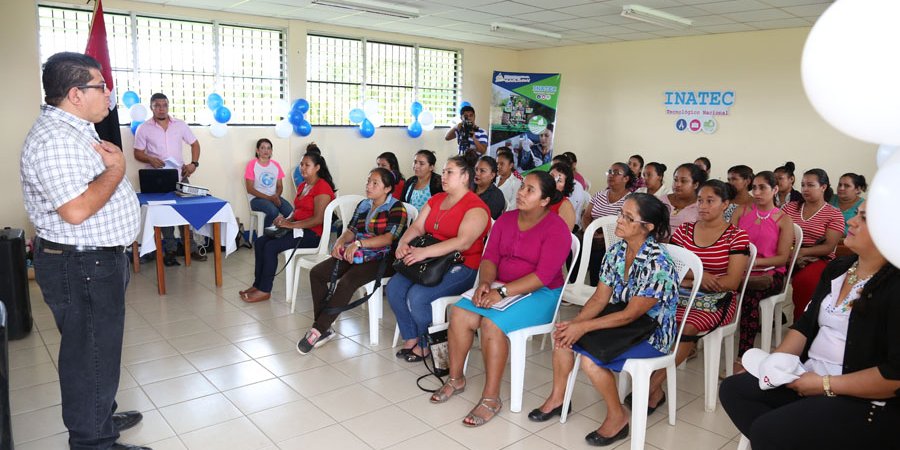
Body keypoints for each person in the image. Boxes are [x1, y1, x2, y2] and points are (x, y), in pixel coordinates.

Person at [22, 52, 148, 450]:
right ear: (76, 93)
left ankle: (99, 413)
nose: (108, 93)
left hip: (94, 259)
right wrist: (116, 171)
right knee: (90, 353)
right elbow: (76, 210)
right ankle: (94, 441)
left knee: (95, 348)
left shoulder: (77, 127)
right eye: (101, 85)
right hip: (82, 263)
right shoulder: (56, 139)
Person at [720, 201, 900, 450]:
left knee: (767, 431)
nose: (851, 221)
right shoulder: (839, 269)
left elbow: (893, 377)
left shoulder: (894, 287)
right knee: (734, 390)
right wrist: (775, 366)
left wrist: (823, 384)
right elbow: (804, 325)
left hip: (857, 395)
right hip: (807, 376)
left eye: (865, 218)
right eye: (857, 215)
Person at [529, 193, 679, 447]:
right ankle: (557, 399)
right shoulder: (618, 250)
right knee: (563, 337)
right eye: (621, 213)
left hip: (651, 332)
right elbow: (600, 299)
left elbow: (632, 315)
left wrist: (584, 326)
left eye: (628, 218)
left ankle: (617, 416)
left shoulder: (658, 263)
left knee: (590, 360)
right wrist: (575, 324)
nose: (618, 220)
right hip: (621, 319)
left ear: (647, 227)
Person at [431, 171, 573, 427]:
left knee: (491, 324)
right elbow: (490, 258)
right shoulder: (506, 220)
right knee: (460, 313)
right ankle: (455, 378)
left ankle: (491, 397)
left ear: (544, 200)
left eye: (530, 190)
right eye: (522, 187)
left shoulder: (557, 229)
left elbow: (542, 276)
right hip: (500, 285)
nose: (521, 193)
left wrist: (502, 293)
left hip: (541, 294)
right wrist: (485, 284)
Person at [645, 180, 751, 411]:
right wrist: (699, 277)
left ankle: (651, 386)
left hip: (716, 302)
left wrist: (688, 278)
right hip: (680, 294)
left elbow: (731, 282)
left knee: (687, 326)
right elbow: (669, 270)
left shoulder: (737, 236)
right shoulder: (684, 231)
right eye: (700, 200)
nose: (703, 206)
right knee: (647, 314)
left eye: (710, 201)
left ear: (726, 204)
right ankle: (653, 383)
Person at [388, 156, 491, 362]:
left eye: (449, 172)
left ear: (464, 177)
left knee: (418, 297)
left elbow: (463, 242)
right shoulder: (436, 199)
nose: (443, 176)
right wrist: (403, 243)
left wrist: (424, 252)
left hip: (462, 265)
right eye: (443, 172)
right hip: (430, 260)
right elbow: (418, 227)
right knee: (394, 288)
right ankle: (411, 337)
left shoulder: (476, 207)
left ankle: (427, 344)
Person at [296, 168, 408, 354]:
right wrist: (339, 242)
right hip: (358, 252)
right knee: (318, 273)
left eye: (375, 183)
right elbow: (351, 230)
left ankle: (318, 329)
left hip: (383, 258)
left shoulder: (396, 208)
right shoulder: (364, 204)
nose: (369, 186)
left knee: (347, 282)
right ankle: (324, 327)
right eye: (368, 181)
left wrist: (358, 243)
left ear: (387, 188)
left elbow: (388, 239)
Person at [240, 152, 336, 303]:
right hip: (298, 229)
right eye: (301, 164)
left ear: (317, 167)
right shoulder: (303, 185)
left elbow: (318, 219)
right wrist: (284, 220)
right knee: (260, 242)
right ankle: (257, 285)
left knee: (271, 246)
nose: (302, 168)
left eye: (307, 165)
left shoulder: (322, 187)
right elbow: (298, 212)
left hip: (313, 234)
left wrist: (291, 225)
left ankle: (265, 290)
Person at [133, 92, 205, 266]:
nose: (161, 108)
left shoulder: (179, 125)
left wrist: (194, 164)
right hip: (158, 178)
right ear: (151, 108)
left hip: (180, 176)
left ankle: (191, 248)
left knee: (186, 214)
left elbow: (195, 144)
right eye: (157, 105)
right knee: (164, 215)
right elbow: (137, 153)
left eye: (164, 105)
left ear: (168, 106)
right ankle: (170, 250)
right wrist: (150, 158)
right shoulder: (144, 128)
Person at [730, 171, 794, 366]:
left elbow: (783, 258)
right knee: (716, 285)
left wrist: (754, 262)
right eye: (754, 187)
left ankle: (744, 358)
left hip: (769, 275)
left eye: (762, 188)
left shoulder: (783, 219)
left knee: (750, 295)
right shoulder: (742, 211)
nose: (757, 192)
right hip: (740, 270)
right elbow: (728, 243)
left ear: (775, 189)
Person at [782, 169, 844, 321]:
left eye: (810, 185)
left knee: (806, 281)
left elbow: (828, 247)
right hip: (786, 255)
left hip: (818, 258)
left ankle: (801, 325)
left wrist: (800, 253)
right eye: (802, 185)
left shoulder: (833, 214)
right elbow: (777, 235)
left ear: (823, 187)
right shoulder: (789, 208)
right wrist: (791, 255)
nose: (804, 189)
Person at [582, 163, 636, 286]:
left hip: (617, 236)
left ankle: (597, 288)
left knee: (598, 251)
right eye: (610, 172)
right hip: (594, 232)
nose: (611, 175)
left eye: (616, 173)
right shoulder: (599, 195)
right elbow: (586, 216)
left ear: (626, 179)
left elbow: (628, 224)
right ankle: (576, 281)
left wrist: (604, 236)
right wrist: (589, 231)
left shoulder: (631, 199)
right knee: (578, 245)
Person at [244, 138, 292, 228]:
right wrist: (269, 198)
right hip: (256, 199)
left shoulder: (276, 165)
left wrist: (276, 196)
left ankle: (282, 233)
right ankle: (264, 233)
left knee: (290, 212)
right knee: (273, 211)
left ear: (271, 151)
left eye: (268, 148)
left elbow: (280, 186)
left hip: (274, 197)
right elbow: (249, 189)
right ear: (257, 151)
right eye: (263, 148)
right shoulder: (252, 165)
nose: (266, 150)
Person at [661, 163, 707, 231]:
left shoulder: (701, 207)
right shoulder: (662, 201)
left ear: (695, 185)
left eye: (683, 181)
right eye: (675, 180)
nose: (677, 184)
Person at [548, 161, 578, 231]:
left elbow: (563, 237)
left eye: (559, 180)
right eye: (551, 176)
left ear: (565, 187)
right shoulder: (538, 196)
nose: (552, 181)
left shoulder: (565, 206)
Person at [474, 155, 505, 220]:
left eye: (482, 171)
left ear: (492, 175)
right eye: (476, 169)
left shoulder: (496, 196)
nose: (477, 173)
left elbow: (483, 221)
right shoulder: (468, 186)